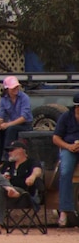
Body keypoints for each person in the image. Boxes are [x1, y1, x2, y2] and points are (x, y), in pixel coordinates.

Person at [0, 140, 43, 235]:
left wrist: (32, 177)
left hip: (23, 195)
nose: (9, 153)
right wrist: (4, 178)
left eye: (11, 150)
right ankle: (9, 188)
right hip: (7, 195)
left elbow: (38, 171)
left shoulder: (31, 162)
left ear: (21, 150)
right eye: (8, 151)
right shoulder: (8, 164)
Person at [0, 75, 32, 166]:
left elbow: (24, 117)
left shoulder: (24, 98)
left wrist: (8, 124)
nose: (15, 89)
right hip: (11, 124)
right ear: (7, 89)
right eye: (13, 87)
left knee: (11, 129)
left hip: (25, 125)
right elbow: (1, 114)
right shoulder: (4, 99)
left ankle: (6, 158)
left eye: (16, 87)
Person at [52, 93, 79, 227]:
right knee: (65, 172)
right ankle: (64, 210)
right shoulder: (66, 117)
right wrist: (69, 146)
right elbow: (56, 138)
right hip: (69, 148)